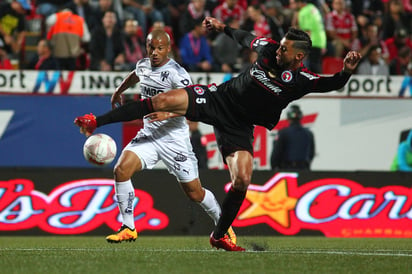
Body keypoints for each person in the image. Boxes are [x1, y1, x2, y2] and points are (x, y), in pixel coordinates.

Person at [74, 16, 361, 251]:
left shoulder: (300, 80)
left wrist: (346, 72)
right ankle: (96, 121)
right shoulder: (268, 49)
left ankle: (219, 234)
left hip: (239, 127)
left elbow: (331, 84)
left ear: (298, 56)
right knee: (163, 100)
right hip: (217, 99)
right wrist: (223, 28)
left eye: (284, 50)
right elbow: (246, 37)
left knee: (242, 180)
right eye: (279, 46)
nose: (277, 51)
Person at [76, 29, 236, 244]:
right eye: (151, 47)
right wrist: (119, 90)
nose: (155, 52)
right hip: (149, 135)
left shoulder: (177, 74)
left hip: (175, 141)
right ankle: (128, 227)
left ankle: (224, 226)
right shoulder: (143, 64)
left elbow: (193, 106)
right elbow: (136, 74)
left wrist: (168, 112)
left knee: (195, 193)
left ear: (168, 49)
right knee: (121, 170)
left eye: (160, 48)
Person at [270, 105, 315, 170]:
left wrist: (274, 168)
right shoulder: (308, 134)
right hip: (304, 169)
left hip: (287, 169)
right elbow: (311, 154)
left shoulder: (283, 133)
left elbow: (276, 153)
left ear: (288, 117)